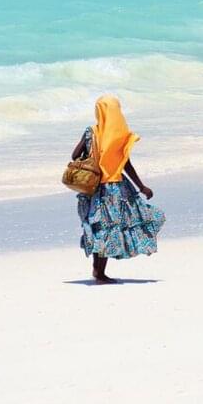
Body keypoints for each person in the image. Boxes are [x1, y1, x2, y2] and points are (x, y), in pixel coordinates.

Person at [71, 95, 165, 283]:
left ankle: (97, 270)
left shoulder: (91, 132)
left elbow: (74, 155)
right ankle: (99, 273)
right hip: (115, 190)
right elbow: (126, 165)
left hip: (93, 188)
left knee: (99, 227)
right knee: (110, 228)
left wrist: (91, 155)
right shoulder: (120, 136)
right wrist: (141, 187)